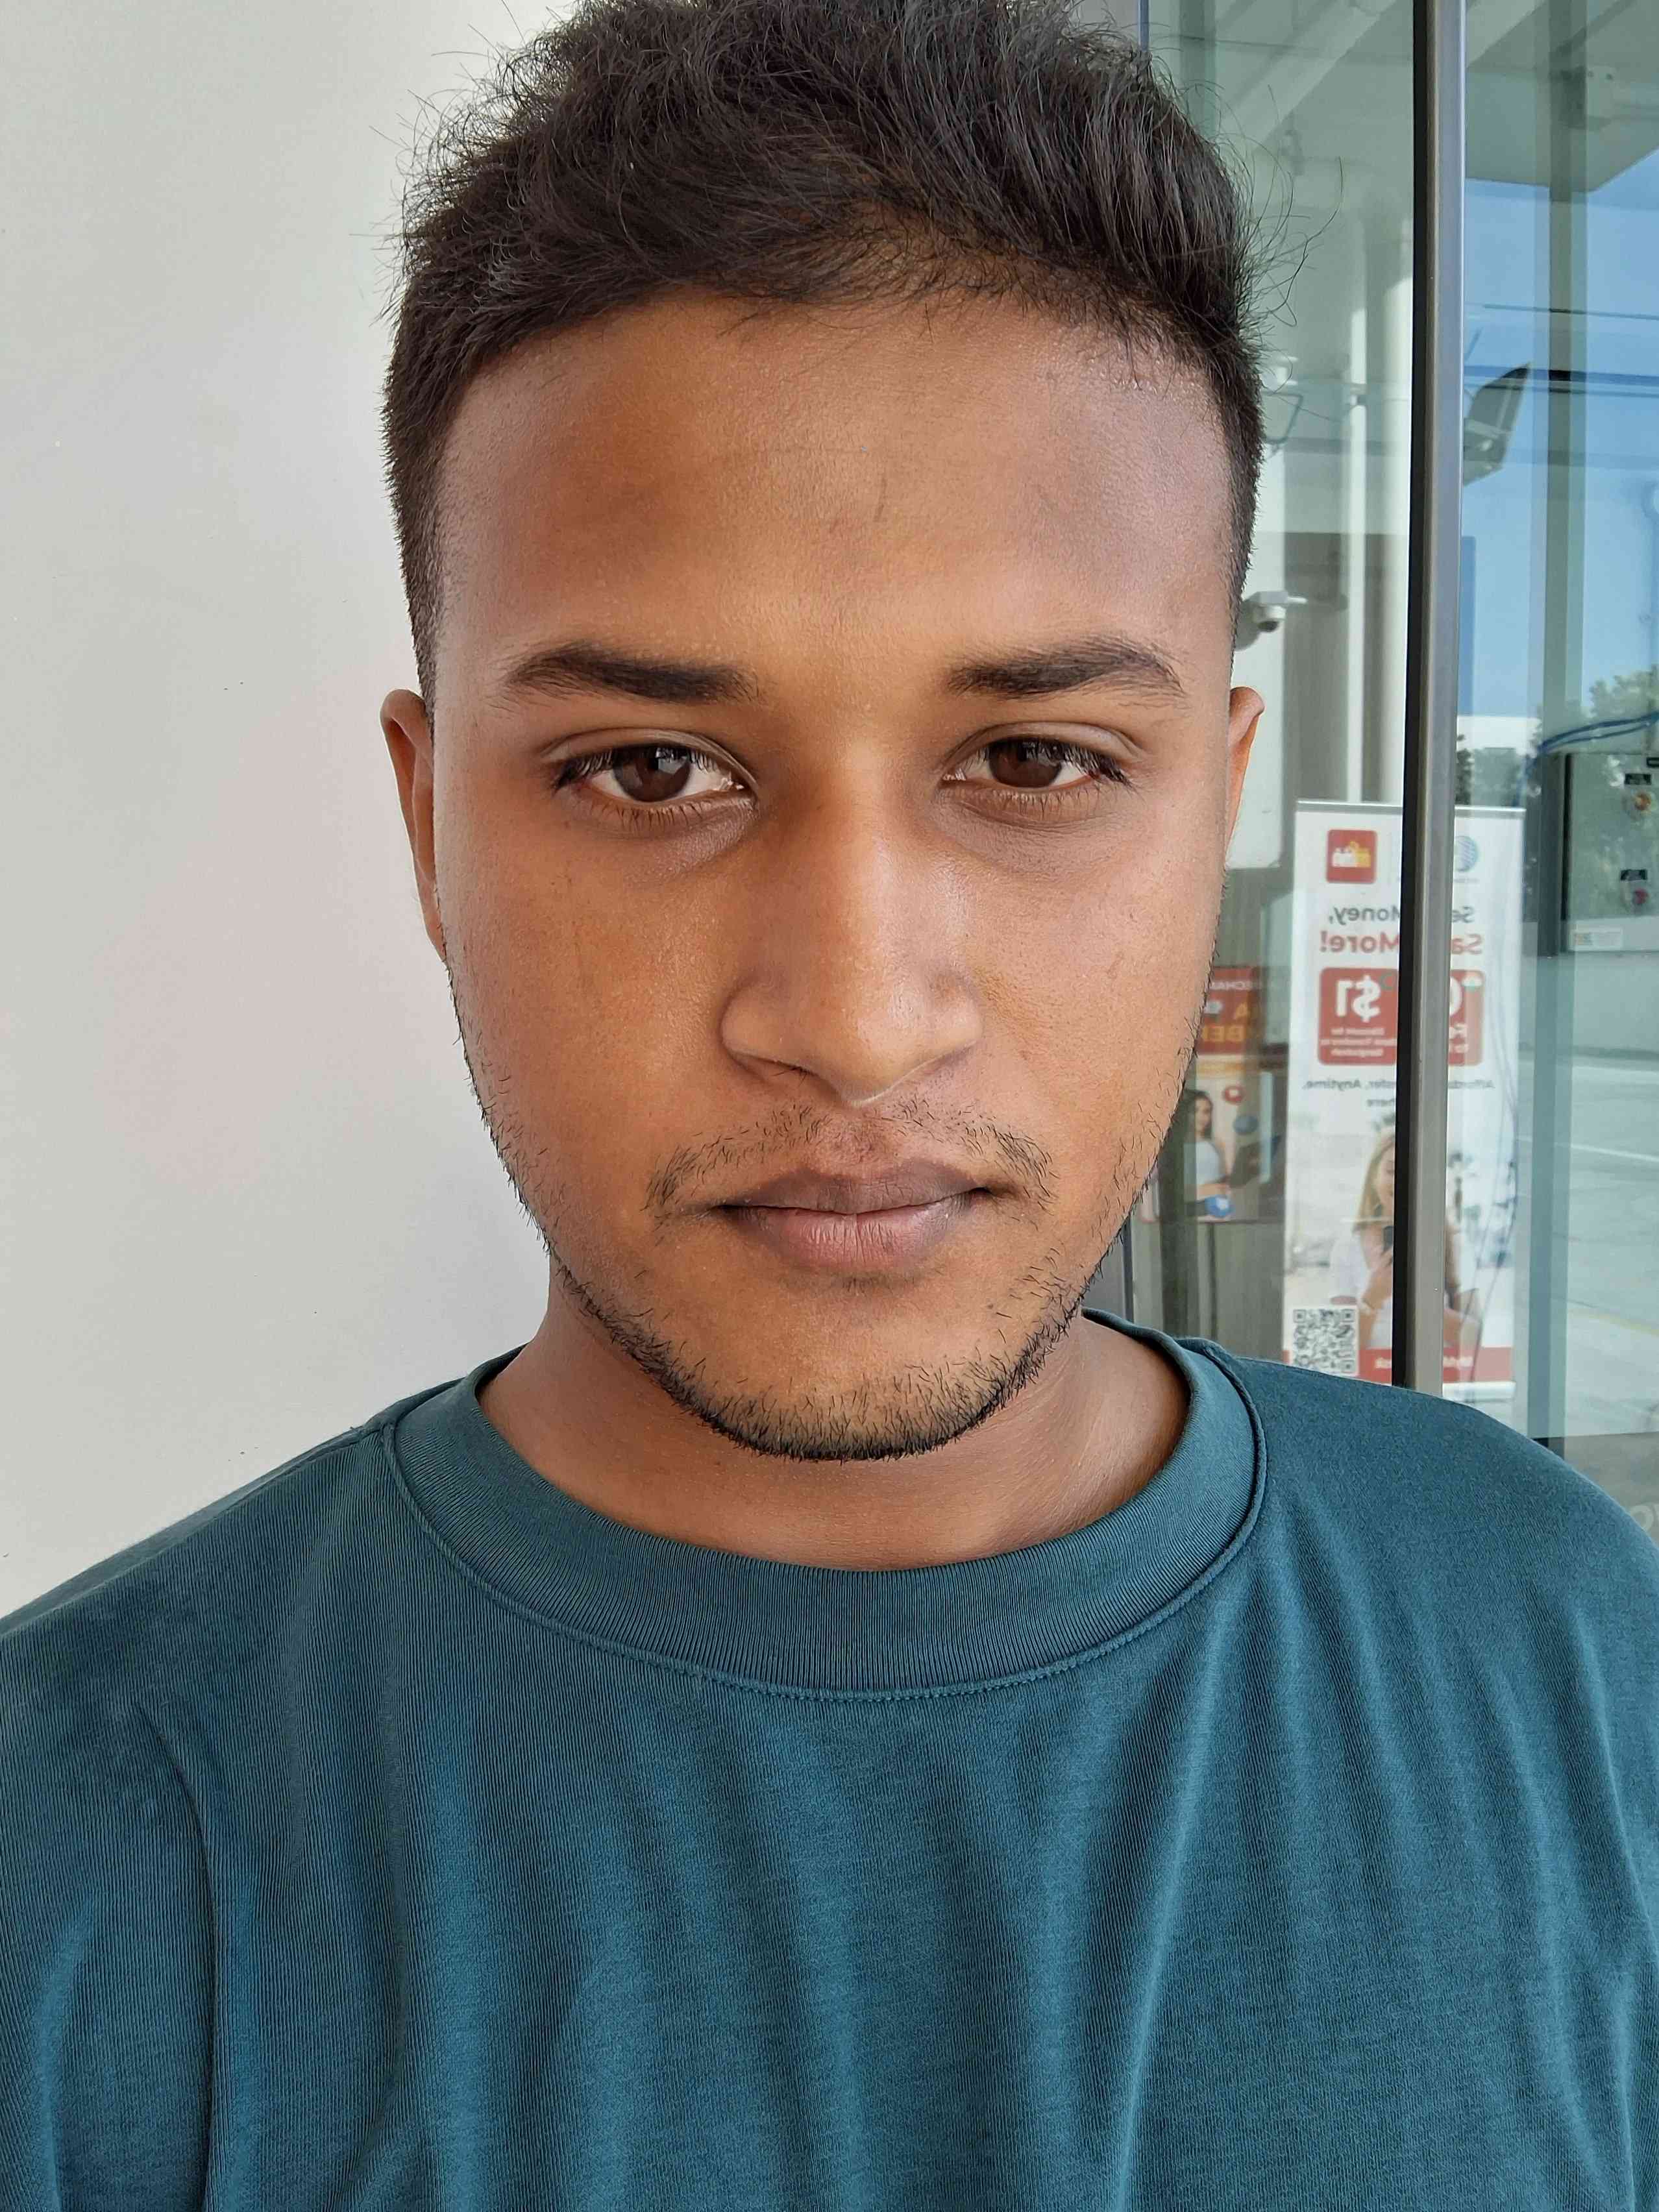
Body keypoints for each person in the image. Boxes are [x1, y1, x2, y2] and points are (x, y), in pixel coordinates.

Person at [3, 2, 1654, 2203]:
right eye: (649, 770)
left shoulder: (1568, 1652)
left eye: (1035, 762)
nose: (859, 1022)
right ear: (428, 827)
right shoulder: (69, 1848)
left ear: (1214, 803)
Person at [1328, 1129, 1482, 1369]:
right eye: (1391, 1171)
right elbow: (1338, 1350)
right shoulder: (1348, 1248)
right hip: (1369, 1383)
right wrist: (1372, 1298)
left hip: (1436, 1378)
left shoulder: (1454, 1243)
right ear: (1374, 1177)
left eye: (1414, 1172)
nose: (1402, 1180)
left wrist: (1419, 1301)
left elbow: (1475, 1337)